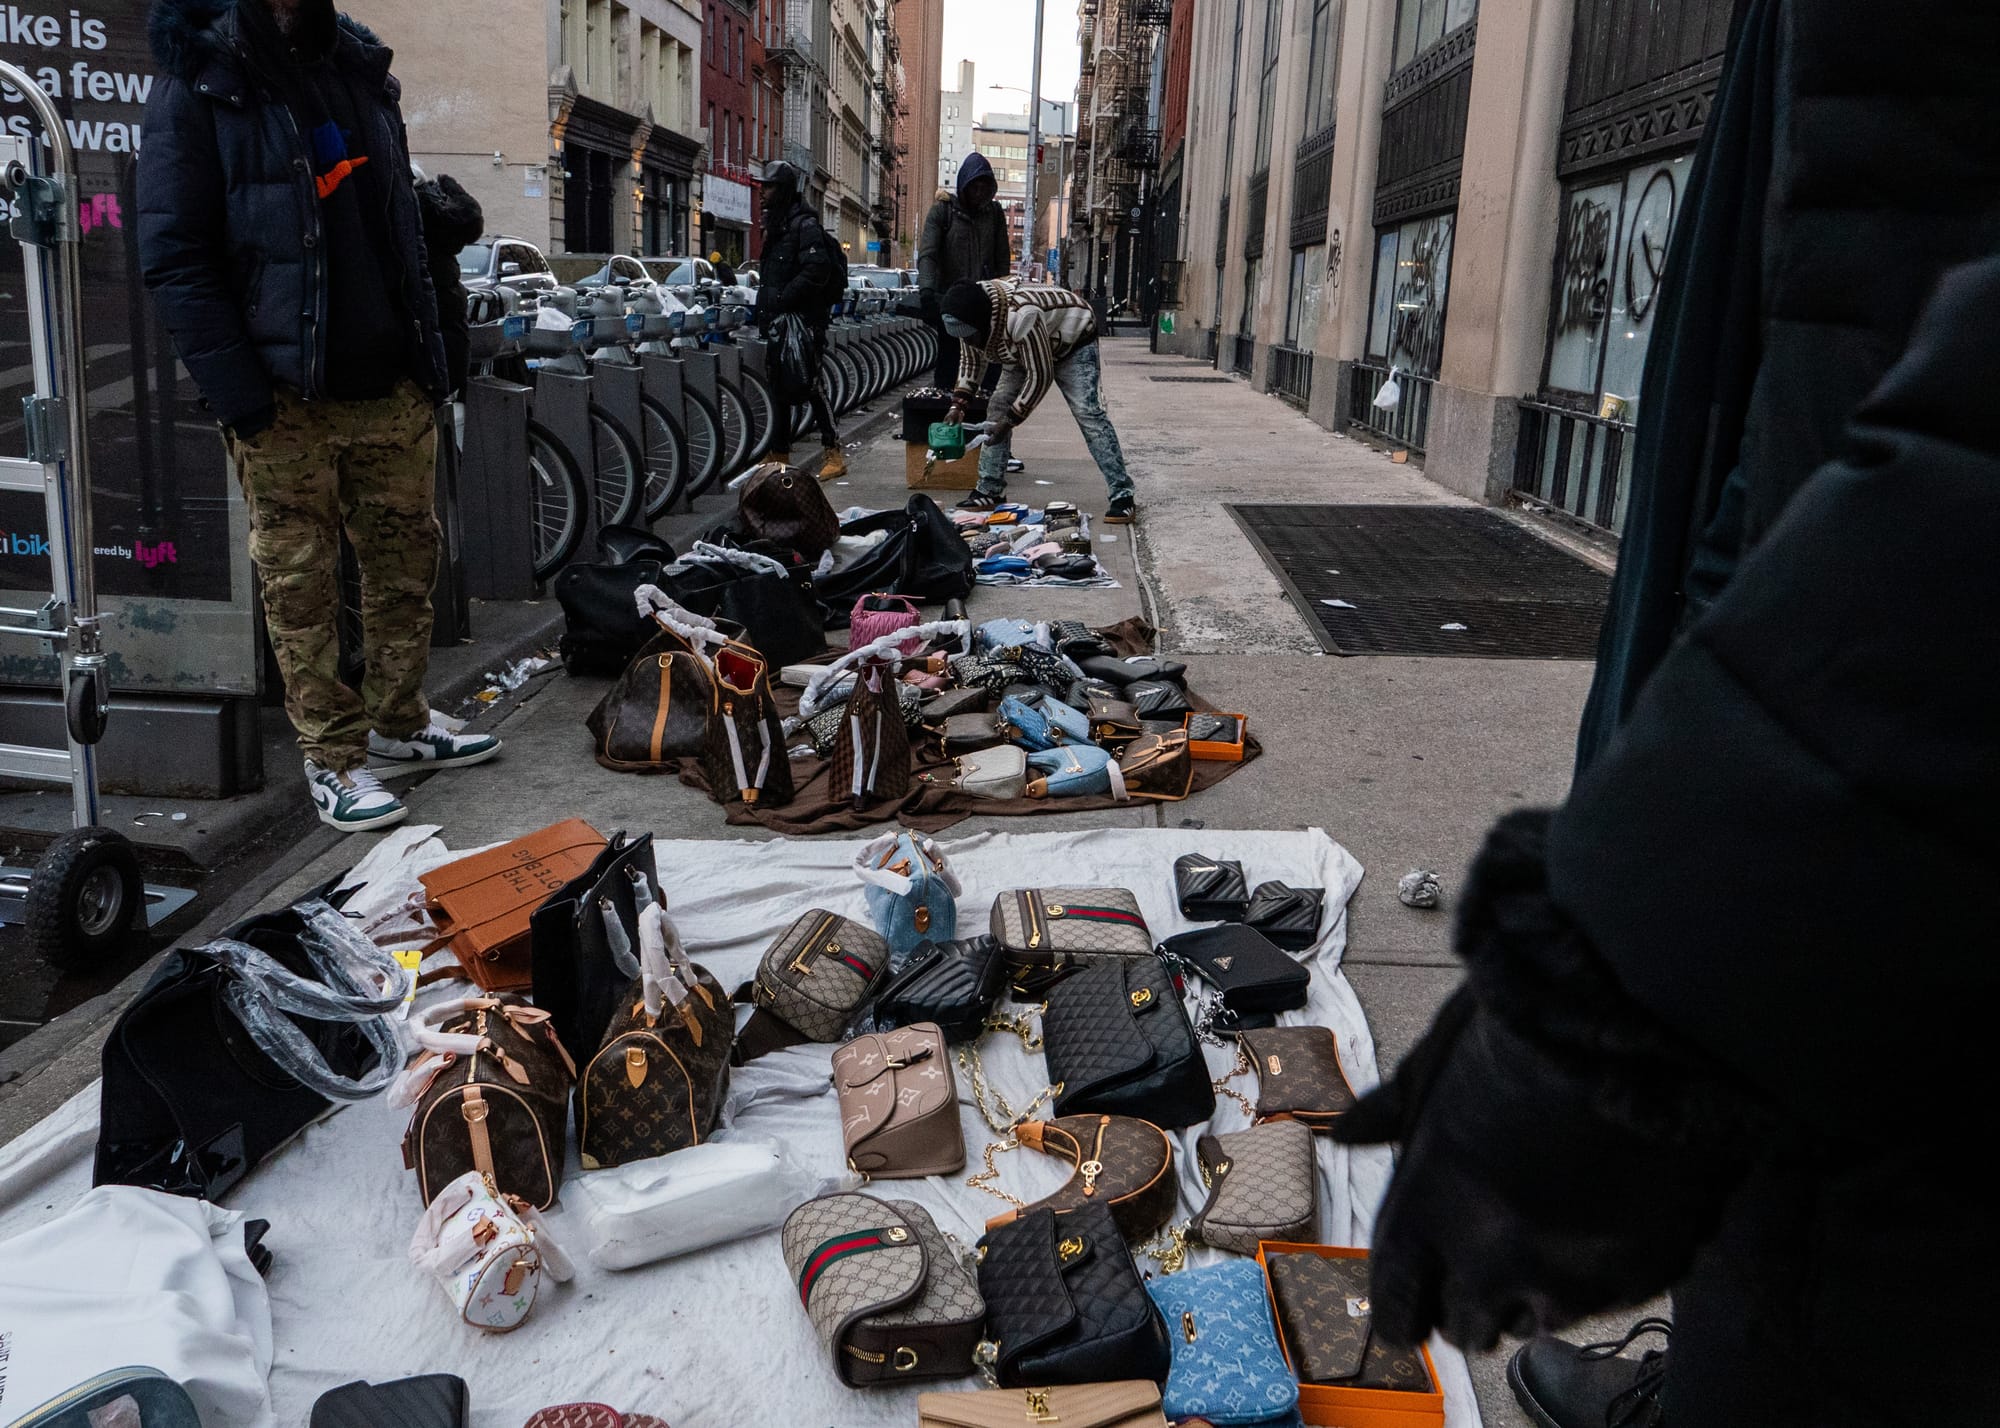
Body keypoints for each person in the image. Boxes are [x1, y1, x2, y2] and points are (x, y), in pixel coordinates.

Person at [1331, 3, 2000, 1426]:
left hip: (1887, 771)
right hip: (1801, 575)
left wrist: (1624, 987)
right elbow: (1826, 334)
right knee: (1793, 1222)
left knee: (1871, 1254)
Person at [138, 0, 498, 834]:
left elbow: (396, 227)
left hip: (390, 382)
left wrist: (435, 353)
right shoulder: (202, 81)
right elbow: (174, 254)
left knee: (406, 567)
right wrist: (243, 397)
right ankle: (333, 759)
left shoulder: (360, 73)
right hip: (286, 394)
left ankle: (400, 721)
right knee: (300, 583)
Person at [939, 278, 1135, 523]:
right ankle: (989, 490)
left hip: (1073, 339)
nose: (968, 342)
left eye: (971, 336)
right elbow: (971, 360)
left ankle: (1122, 494)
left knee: (1087, 412)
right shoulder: (968, 313)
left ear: (982, 322)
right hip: (1021, 345)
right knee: (997, 406)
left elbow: (1040, 375)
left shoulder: (1022, 315)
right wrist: (958, 404)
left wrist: (1010, 421)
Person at [755, 160, 845, 478]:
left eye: (768, 186)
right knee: (779, 387)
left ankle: (834, 453)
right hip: (780, 322)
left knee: (811, 385)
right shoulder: (777, 225)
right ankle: (780, 453)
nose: (762, 192)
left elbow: (817, 269)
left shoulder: (803, 226)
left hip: (803, 322)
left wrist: (784, 298)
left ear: (783, 190)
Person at [918, 155, 1010, 389]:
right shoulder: (943, 211)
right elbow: (928, 254)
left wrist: (1004, 294)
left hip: (985, 303)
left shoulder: (994, 214)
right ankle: (947, 405)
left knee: (989, 367)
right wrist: (926, 291)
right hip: (951, 301)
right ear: (964, 185)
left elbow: (1002, 258)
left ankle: (984, 408)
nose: (979, 193)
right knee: (949, 363)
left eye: (984, 188)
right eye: (974, 187)